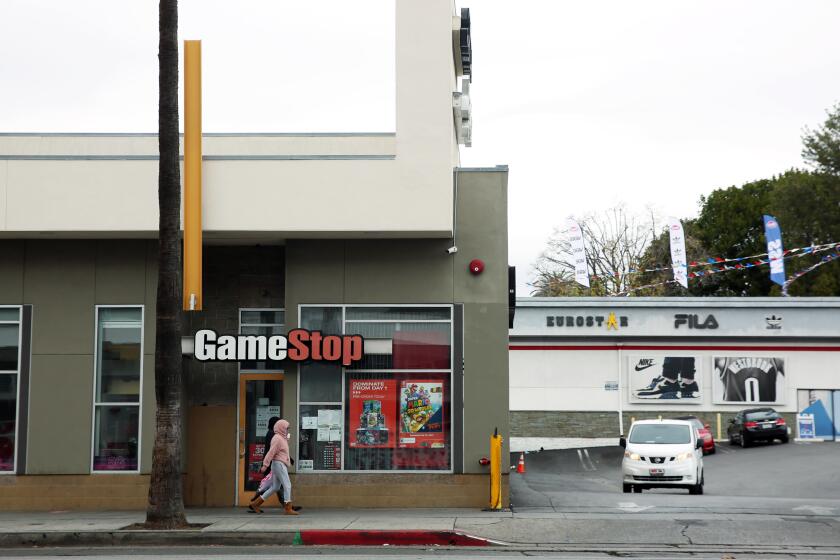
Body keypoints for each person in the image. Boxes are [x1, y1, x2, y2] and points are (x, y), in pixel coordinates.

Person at [249, 418, 299, 515]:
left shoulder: (282, 437)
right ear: (281, 428)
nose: (287, 430)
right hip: (279, 464)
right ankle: (288, 508)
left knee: (275, 487)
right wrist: (265, 465)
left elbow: (287, 438)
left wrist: (288, 433)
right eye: (286, 428)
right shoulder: (277, 439)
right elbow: (271, 452)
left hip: (279, 464)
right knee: (287, 485)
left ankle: (256, 504)